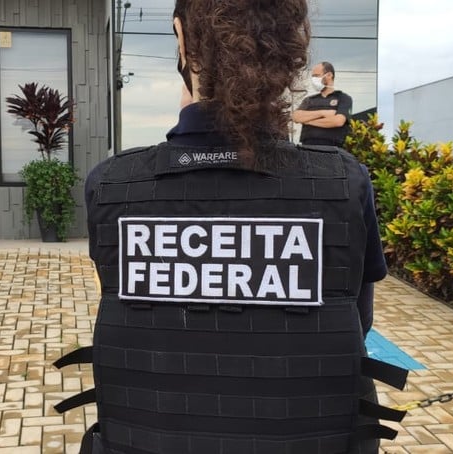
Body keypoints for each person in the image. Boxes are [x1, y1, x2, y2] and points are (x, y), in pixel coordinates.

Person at [52, 1, 408, 453]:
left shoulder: (112, 185)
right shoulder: (342, 182)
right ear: (289, 48)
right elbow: (358, 322)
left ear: (181, 39)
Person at [292, 61, 353, 147]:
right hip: (308, 149)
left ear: (329, 75)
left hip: (332, 150)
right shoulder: (309, 100)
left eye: (316, 76)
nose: (314, 79)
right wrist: (323, 113)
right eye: (313, 76)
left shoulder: (343, 98)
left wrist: (308, 121)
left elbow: (338, 121)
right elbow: (296, 117)